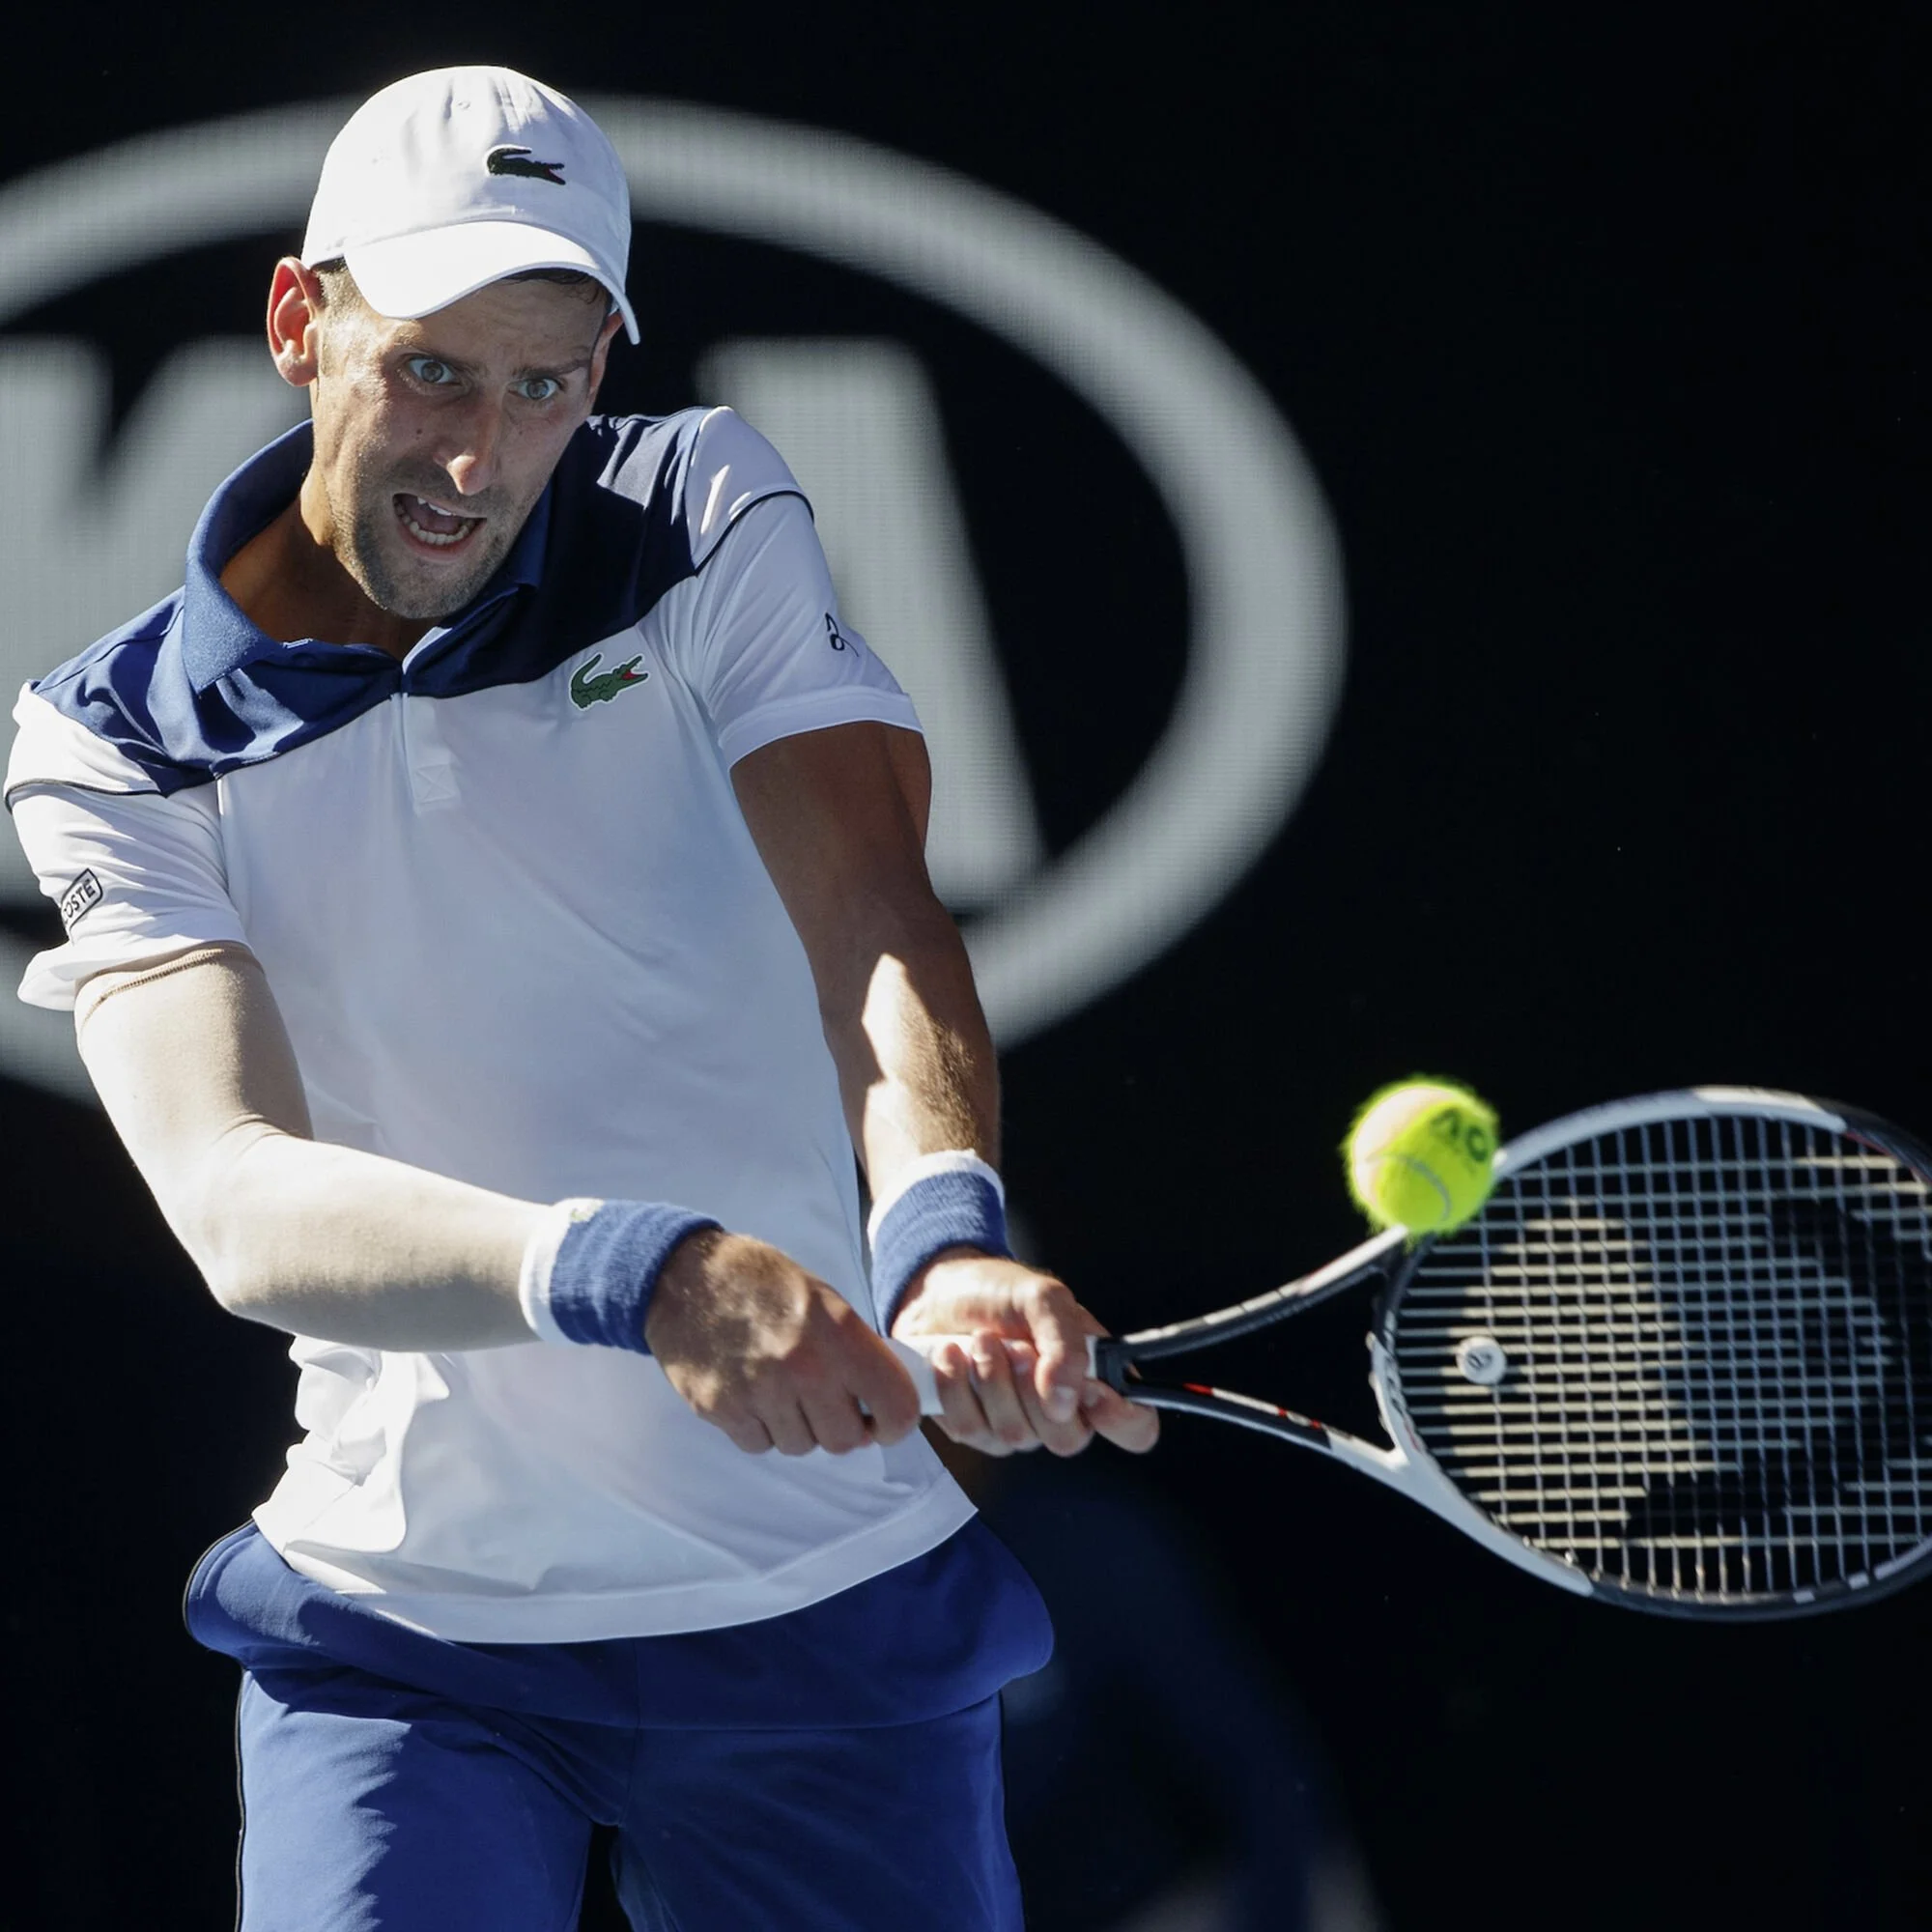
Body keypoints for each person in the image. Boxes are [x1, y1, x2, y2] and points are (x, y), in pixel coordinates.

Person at [5, 66, 1155, 1931]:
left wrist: (945, 1240)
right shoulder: (113, 740)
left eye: (545, 386)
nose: (481, 457)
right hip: (406, 1633)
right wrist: (652, 1272)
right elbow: (234, 1197)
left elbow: (873, 918)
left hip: (822, 1610)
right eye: (433, 372)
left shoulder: (694, 509)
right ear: (299, 323)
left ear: (605, 368)